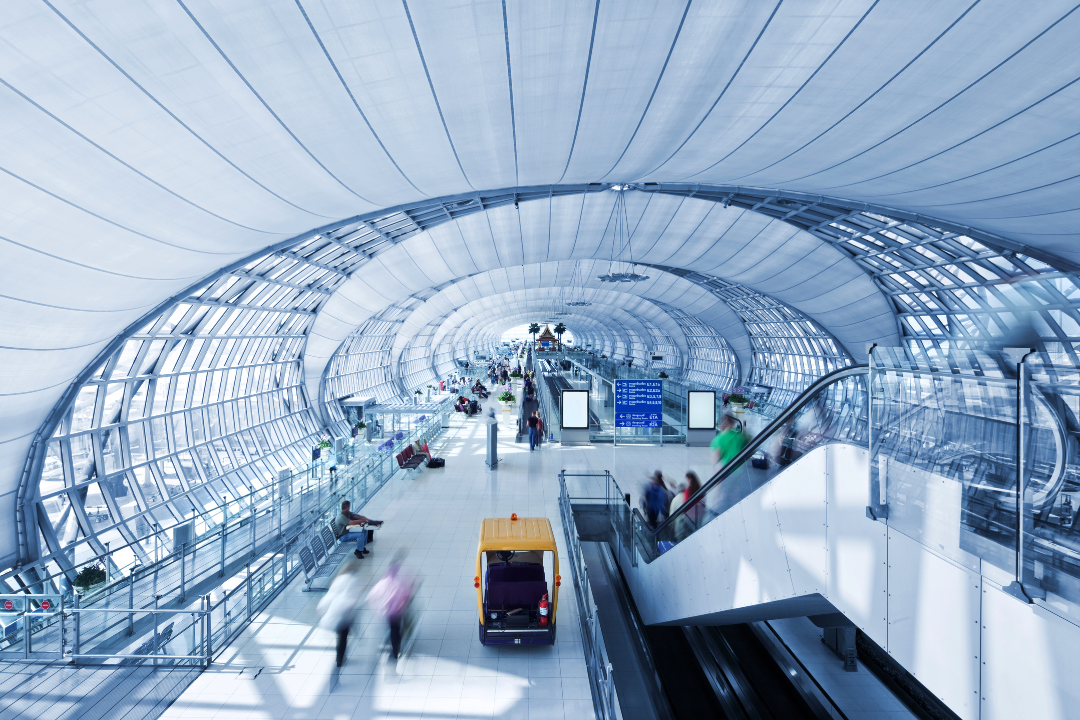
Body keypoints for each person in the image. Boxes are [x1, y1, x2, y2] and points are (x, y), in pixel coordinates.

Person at [367, 560, 414, 659]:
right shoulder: (399, 584)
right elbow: (406, 595)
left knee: (392, 628)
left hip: (386, 611)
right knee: (396, 629)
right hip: (397, 611)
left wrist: (377, 607)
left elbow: (370, 596)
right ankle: (396, 647)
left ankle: (394, 646)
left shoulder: (383, 583)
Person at [318, 565, 363, 667]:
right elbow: (356, 595)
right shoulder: (354, 579)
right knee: (343, 636)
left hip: (336, 613)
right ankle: (341, 657)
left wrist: (321, 608)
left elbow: (330, 596)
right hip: (345, 613)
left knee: (341, 637)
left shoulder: (338, 580)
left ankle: (340, 658)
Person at [669, 471, 704, 541]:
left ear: (689, 479)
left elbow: (685, 505)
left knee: (685, 538)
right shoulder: (700, 490)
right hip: (699, 517)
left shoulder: (687, 491)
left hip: (688, 519)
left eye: (687, 479)